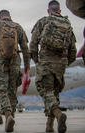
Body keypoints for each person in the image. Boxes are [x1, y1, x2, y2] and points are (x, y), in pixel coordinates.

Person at [29, 1, 77, 133]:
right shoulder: (68, 25)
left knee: (46, 91)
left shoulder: (43, 21)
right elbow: (73, 50)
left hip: (45, 63)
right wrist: (64, 63)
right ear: (60, 10)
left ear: (48, 10)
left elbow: (33, 45)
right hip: (60, 66)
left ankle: (59, 114)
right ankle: (49, 126)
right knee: (54, 94)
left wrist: (37, 61)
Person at [0, 9, 30, 132]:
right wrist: (27, 68)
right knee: (12, 90)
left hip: (0, 62)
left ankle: (8, 115)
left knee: (1, 89)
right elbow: (25, 49)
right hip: (15, 62)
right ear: (10, 16)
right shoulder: (18, 27)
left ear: (0, 17)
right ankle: (12, 116)